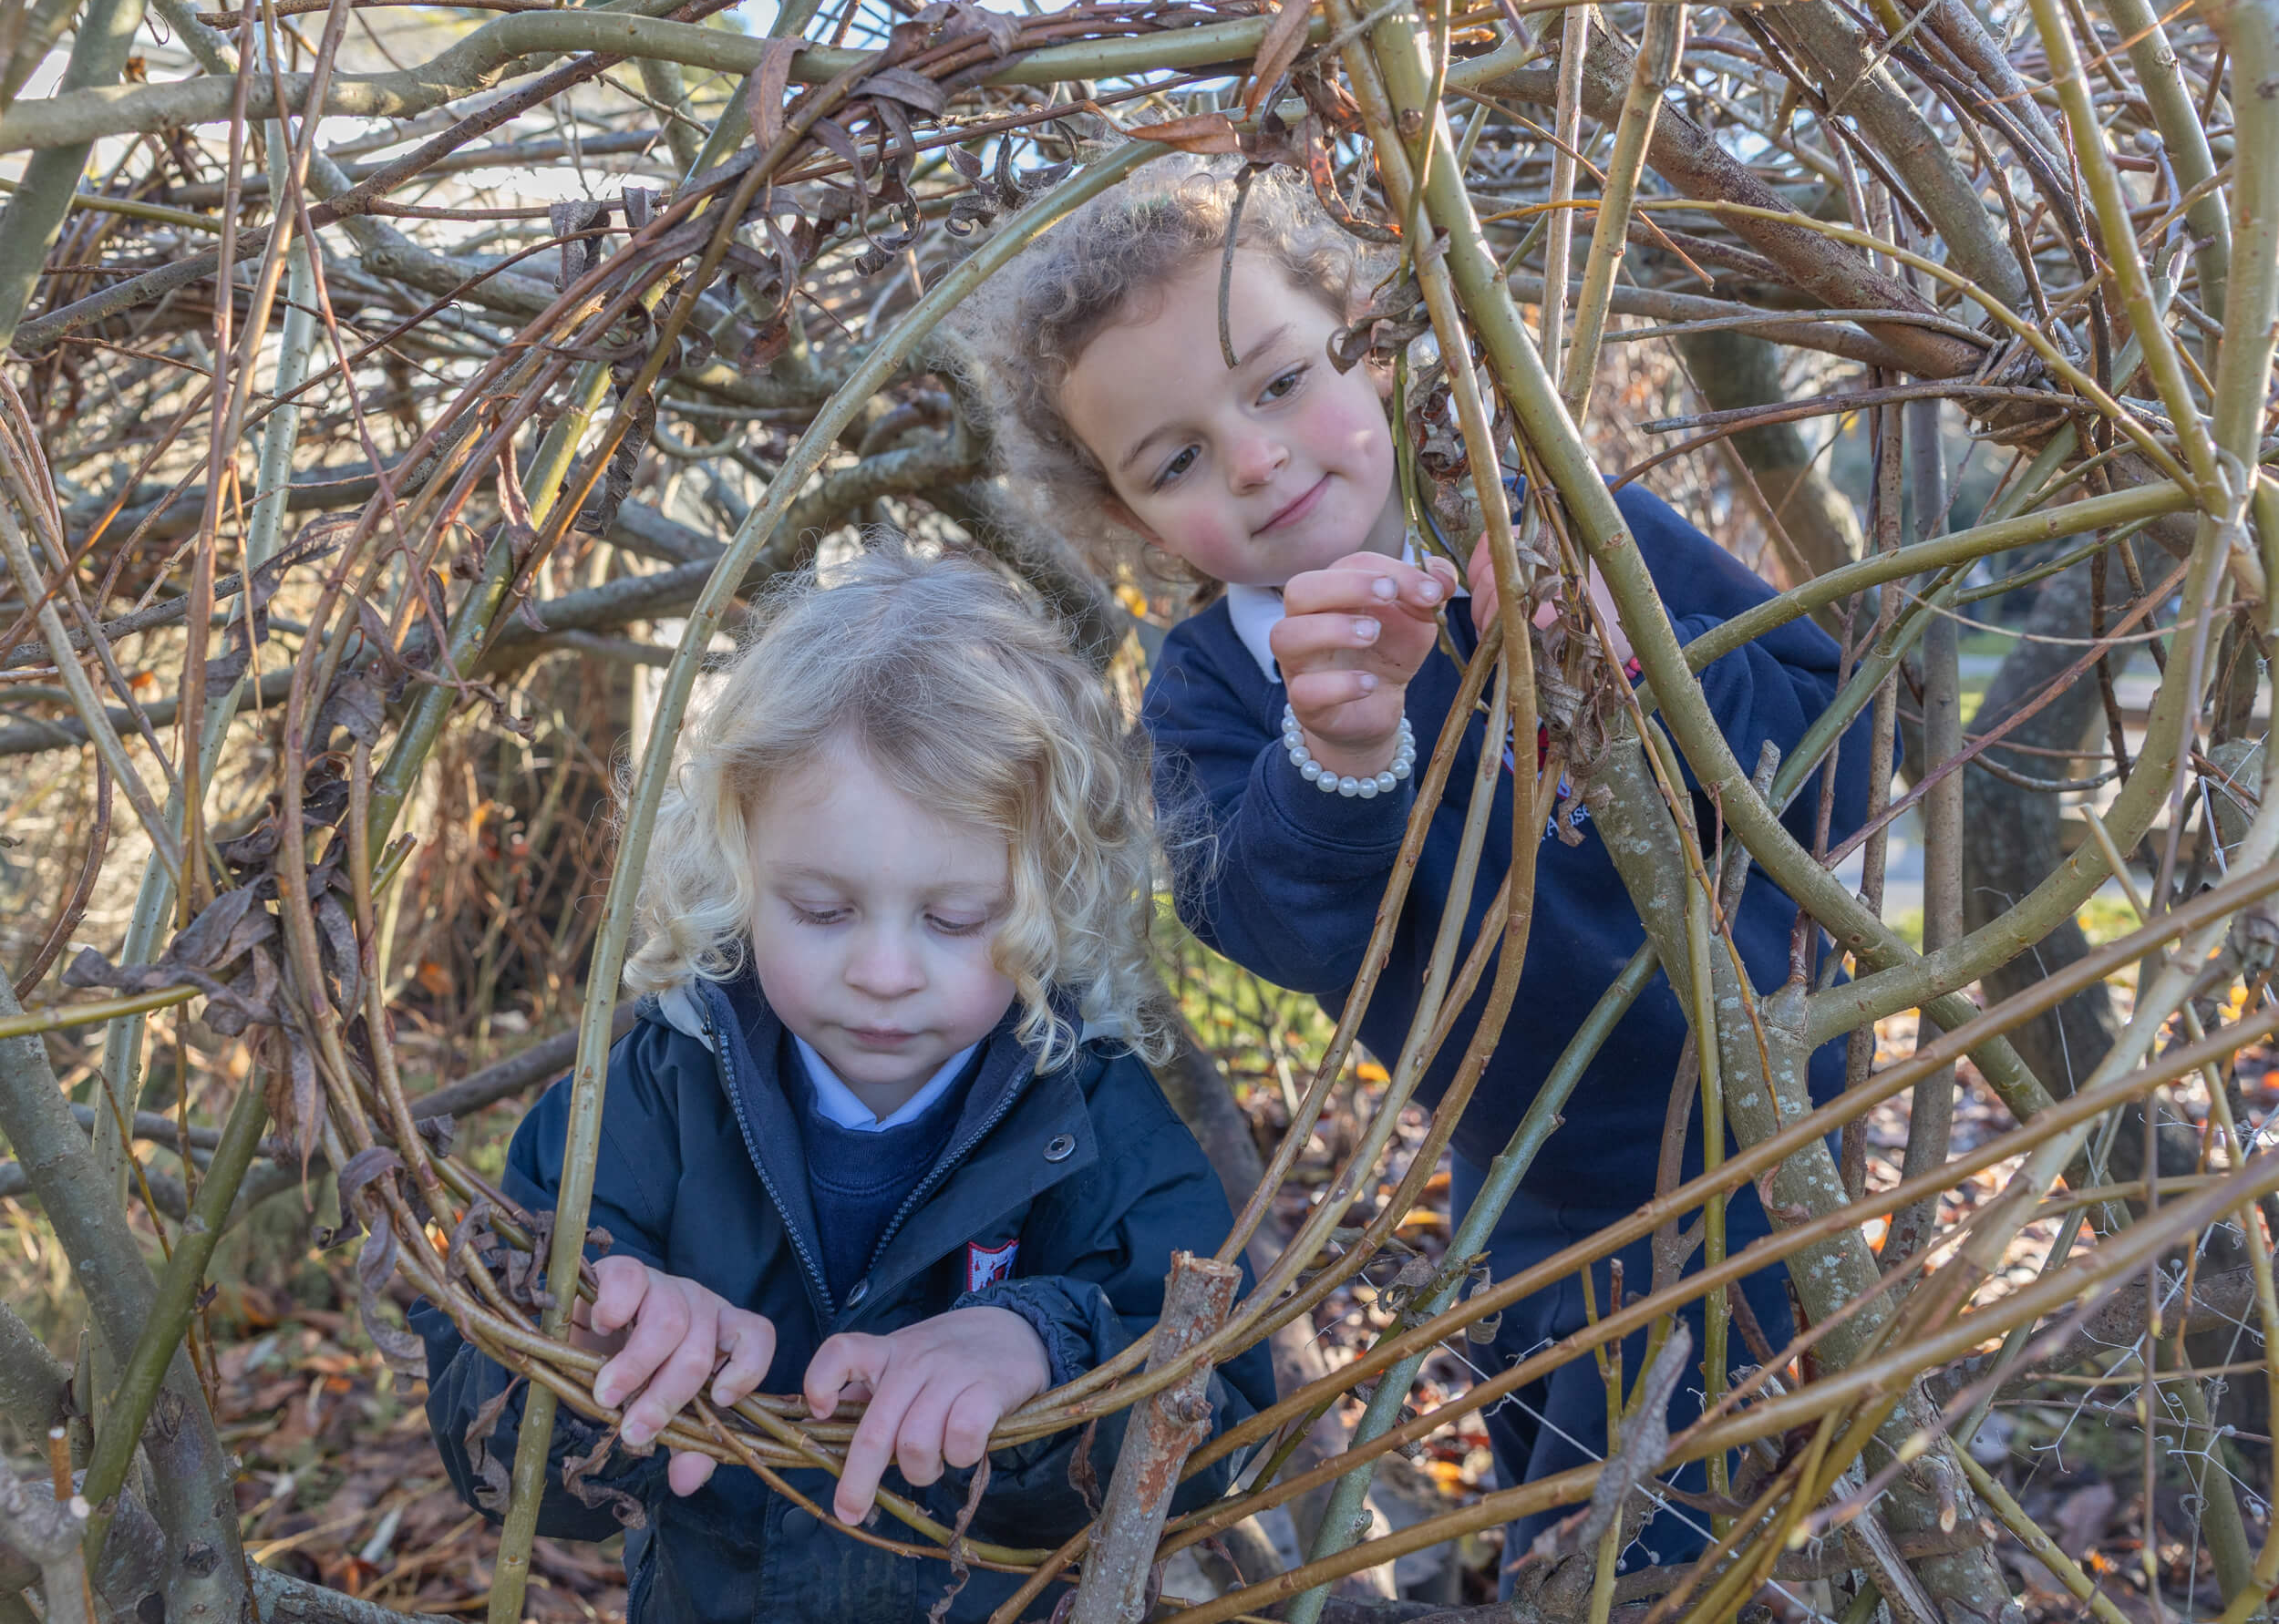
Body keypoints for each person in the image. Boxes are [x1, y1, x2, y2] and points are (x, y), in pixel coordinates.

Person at [954, 162, 1874, 1586]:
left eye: (1273, 385)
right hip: (1530, 1185)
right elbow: (1258, 911)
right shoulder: (1218, 695)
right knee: (1566, 1512)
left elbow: (1840, 746)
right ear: (1132, 525)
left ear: (1368, 342)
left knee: (1701, 1525)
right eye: (1176, 461)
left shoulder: (1580, 524)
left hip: (1768, 1132)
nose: (1254, 461)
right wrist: (1337, 746)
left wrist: (1635, 675)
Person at [414, 540, 1274, 1623]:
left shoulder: (1091, 1113)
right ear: (737, 864)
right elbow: (491, 1453)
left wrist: (1045, 1345)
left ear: (1051, 896)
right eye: (819, 911)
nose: (879, 972)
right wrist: (583, 1347)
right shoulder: (643, 1099)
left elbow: (1219, 1422)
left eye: (955, 920)